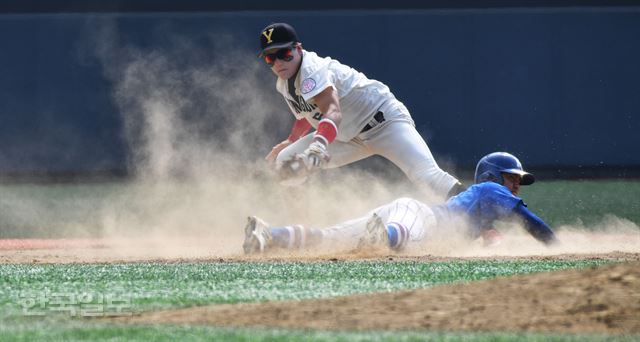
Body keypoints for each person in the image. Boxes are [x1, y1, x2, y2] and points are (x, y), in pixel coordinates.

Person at [258, 22, 464, 198]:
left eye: (284, 53)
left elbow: (332, 111)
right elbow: (309, 113)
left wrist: (319, 146)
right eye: (270, 58)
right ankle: (296, 229)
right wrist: (291, 140)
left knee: (427, 176)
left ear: (298, 49)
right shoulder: (284, 83)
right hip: (348, 138)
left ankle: (485, 218)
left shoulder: (312, 70)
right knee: (285, 159)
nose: (277, 62)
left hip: (383, 123)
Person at [243, 152, 558, 254]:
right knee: (395, 238)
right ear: (492, 175)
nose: (516, 184)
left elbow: (494, 241)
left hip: (406, 213)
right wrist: (559, 246)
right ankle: (381, 236)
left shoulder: (481, 213)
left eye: (518, 180)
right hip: (420, 218)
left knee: (332, 237)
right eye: (512, 177)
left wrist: (494, 241)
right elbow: (532, 223)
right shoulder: (491, 188)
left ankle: (269, 235)